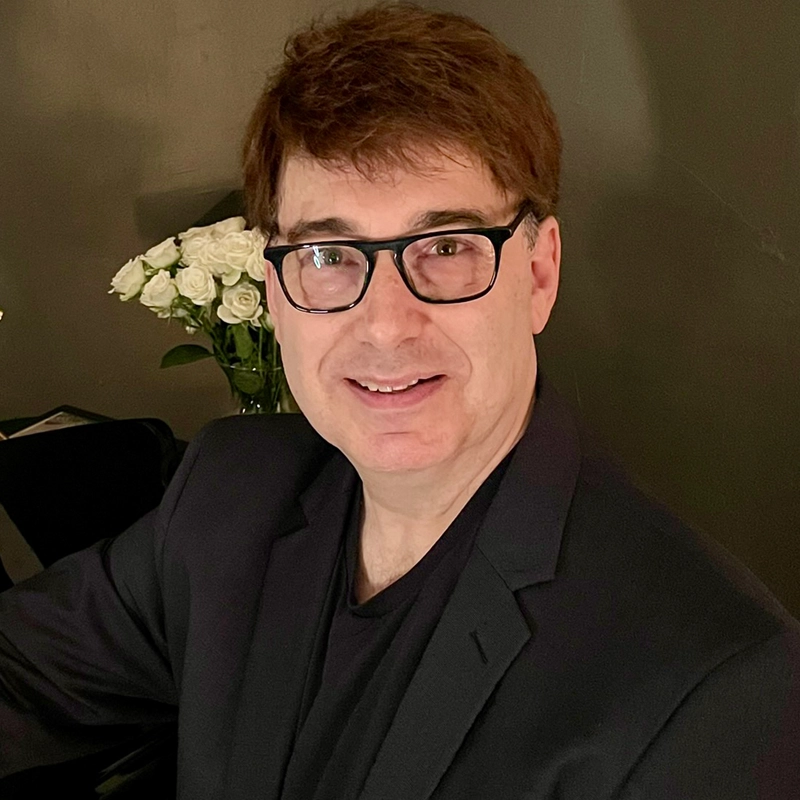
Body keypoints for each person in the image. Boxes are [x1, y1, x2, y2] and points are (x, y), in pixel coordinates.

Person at [1, 3, 798, 798]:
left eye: (446, 246)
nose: (384, 324)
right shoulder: (229, 492)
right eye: (328, 253)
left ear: (540, 274)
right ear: (276, 290)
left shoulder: (718, 684)